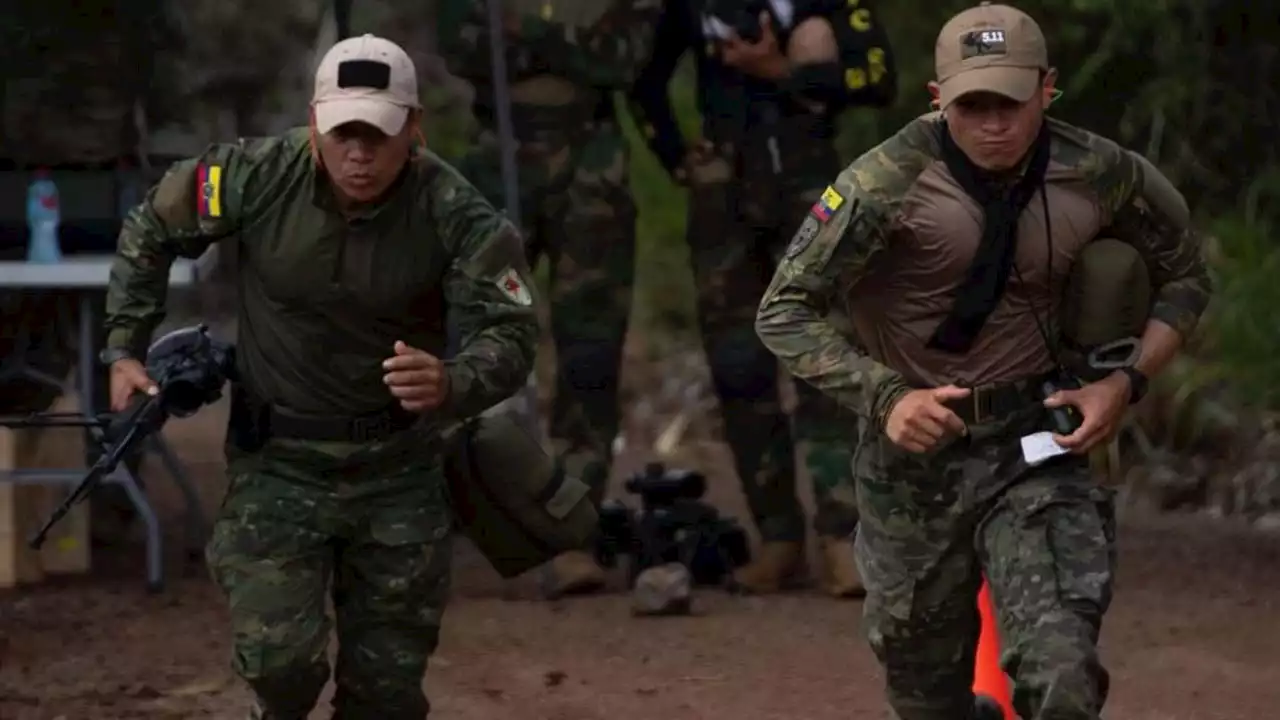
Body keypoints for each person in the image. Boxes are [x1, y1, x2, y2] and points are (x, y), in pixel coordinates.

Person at [755, 3, 1211, 717]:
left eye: (1011, 102)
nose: (994, 123)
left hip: (1042, 440)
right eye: (974, 106)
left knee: (1061, 675)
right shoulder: (882, 184)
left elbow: (1187, 275)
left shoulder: (1096, 171)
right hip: (915, 455)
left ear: (1047, 89)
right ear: (939, 100)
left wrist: (1124, 382)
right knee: (924, 693)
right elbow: (783, 310)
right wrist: (885, 397)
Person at [102, 35, 540, 719]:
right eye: (342, 134)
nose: (358, 155)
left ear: (413, 130)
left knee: (387, 693)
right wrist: (125, 346)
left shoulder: (455, 211)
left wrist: (455, 380)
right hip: (277, 464)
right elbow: (150, 227)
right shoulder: (257, 174)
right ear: (314, 123)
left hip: (396, 469)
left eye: (377, 134)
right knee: (282, 670)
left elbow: (512, 331)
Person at [627, 0, 896, 596]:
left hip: (810, 185)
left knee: (825, 362)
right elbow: (642, 78)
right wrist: (676, 157)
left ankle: (842, 537)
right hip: (723, 195)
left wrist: (784, 73)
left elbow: (877, 77)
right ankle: (778, 538)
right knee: (738, 366)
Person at [435, 0, 663, 597]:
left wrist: (525, 32)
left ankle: (569, 527)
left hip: (594, 169)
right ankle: (462, 509)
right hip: (499, 156)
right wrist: (571, 40)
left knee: (590, 354)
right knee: (466, 339)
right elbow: (462, 47)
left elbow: (627, 58)